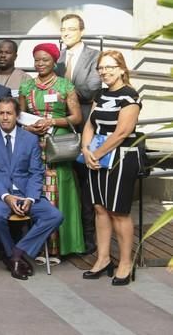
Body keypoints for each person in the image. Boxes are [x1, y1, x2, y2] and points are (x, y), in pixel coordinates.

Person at [0, 98, 64, 280]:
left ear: (17, 116)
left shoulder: (30, 139)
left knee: (54, 215)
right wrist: (6, 196)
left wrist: (31, 198)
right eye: (1, 113)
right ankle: (13, 255)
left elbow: (36, 172)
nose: (5, 117)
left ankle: (16, 253)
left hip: (26, 193)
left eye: (9, 113)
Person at [81, 51, 142, 286]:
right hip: (96, 155)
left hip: (121, 157)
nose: (104, 72)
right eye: (101, 68)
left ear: (121, 69)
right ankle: (103, 259)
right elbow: (90, 123)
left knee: (118, 211)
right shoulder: (101, 94)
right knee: (99, 208)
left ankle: (126, 263)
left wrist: (95, 153)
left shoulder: (130, 96)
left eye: (109, 67)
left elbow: (122, 133)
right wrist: (86, 149)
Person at [19, 43, 84, 260]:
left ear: (54, 61)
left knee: (59, 190)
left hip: (58, 146)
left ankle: (63, 247)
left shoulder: (66, 86)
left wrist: (52, 121)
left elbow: (77, 117)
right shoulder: (27, 86)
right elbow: (19, 116)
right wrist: (29, 127)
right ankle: (38, 247)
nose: (40, 63)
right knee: (37, 190)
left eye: (45, 59)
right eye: (37, 60)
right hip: (32, 144)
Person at [56, 13, 102, 254]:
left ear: (81, 31)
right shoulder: (58, 58)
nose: (65, 33)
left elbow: (92, 89)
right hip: (62, 128)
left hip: (86, 126)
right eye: (63, 29)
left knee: (86, 183)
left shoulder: (94, 56)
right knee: (67, 181)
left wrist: (63, 89)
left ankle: (88, 237)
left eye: (71, 29)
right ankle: (65, 236)